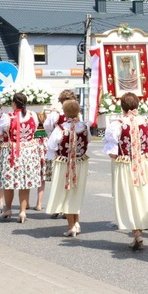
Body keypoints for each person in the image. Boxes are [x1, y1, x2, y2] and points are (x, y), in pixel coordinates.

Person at [103, 92, 148, 249]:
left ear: (121, 106)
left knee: (130, 197)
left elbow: (113, 152)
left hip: (125, 165)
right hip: (145, 163)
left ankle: (137, 234)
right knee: (143, 195)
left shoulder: (117, 124)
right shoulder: (146, 122)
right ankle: (140, 230)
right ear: (137, 105)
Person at [46, 99, 89, 237]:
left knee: (65, 193)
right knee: (76, 192)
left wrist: (51, 160)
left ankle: (71, 226)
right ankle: (77, 222)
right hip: (80, 163)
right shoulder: (84, 127)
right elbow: (87, 142)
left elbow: (52, 146)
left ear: (64, 112)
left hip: (64, 163)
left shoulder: (60, 128)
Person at [0, 92, 41, 223]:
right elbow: (35, 129)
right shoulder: (32, 115)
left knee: (9, 182)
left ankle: (8, 209)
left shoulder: (7, 117)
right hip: (28, 152)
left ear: (14, 103)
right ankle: (22, 212)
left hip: (12, 152)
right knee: (25, 183)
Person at [41, 90, 77, 215]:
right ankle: (67, 207)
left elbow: (47, 127)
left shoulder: (55, 114)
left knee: (59, 179)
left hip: (59, 151)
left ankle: (59, 207)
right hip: (74, 151)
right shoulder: (76, 113)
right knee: (71, 180)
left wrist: (53, 135)